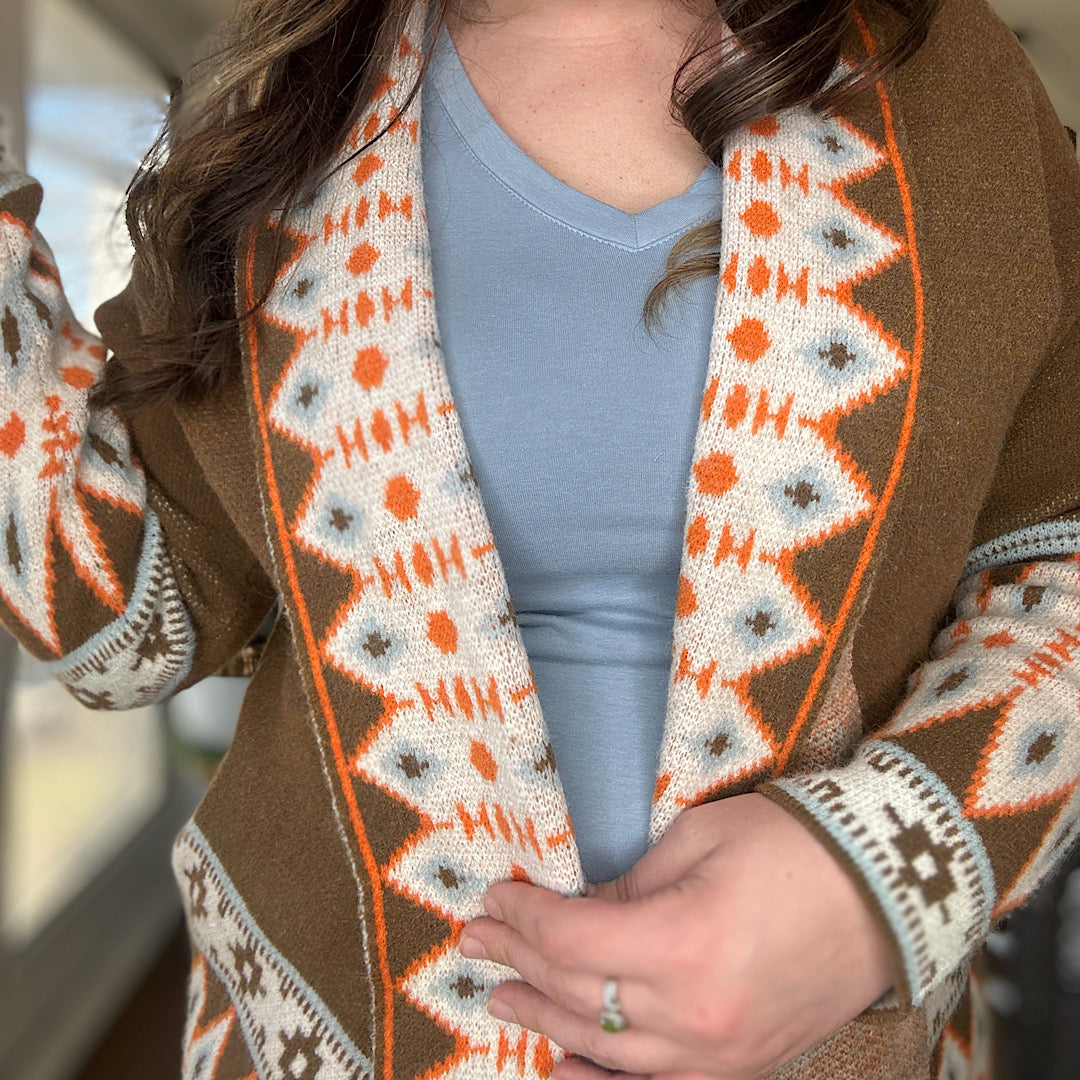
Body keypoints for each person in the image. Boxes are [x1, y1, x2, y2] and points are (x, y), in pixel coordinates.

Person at [1, 0, 1077, 1076]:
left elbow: (1060, 536)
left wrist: (887, 878)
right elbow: (120, 615)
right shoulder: (281, 111)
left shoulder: (940, 71)